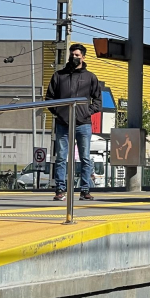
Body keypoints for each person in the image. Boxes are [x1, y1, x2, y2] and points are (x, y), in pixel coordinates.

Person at [46, 44, 101, 201]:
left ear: (83, 57)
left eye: (77, 55)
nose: (74, 57)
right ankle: (60, 189)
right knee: (61, 157)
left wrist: (86, 112)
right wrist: (58, 113)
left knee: (84, 157)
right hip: (63, 123)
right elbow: (49, 98)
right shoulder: (59, 76)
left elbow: (97, 100)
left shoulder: (90, 77)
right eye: (72, 55)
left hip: (83, 124)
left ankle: (85, 190)